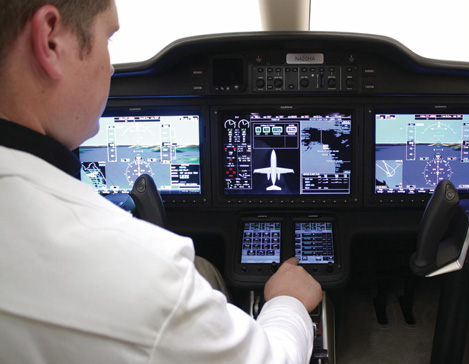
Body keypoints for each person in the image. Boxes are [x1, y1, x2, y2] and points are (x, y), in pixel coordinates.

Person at [0, 0, 323, 362]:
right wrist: (287, 302)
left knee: (203, 269)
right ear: (50, 41)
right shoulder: (146, 272)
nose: (109, 67)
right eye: (108, 39)